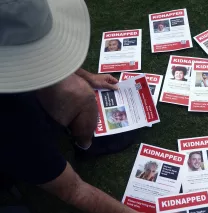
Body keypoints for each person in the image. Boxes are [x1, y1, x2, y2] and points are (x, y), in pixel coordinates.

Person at [0, 1, 140, 213]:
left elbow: (45, 59)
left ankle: (85, 146)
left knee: (77, 91)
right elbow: (75, 190)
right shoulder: (13, 123)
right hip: (11, 137)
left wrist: (89, 78)